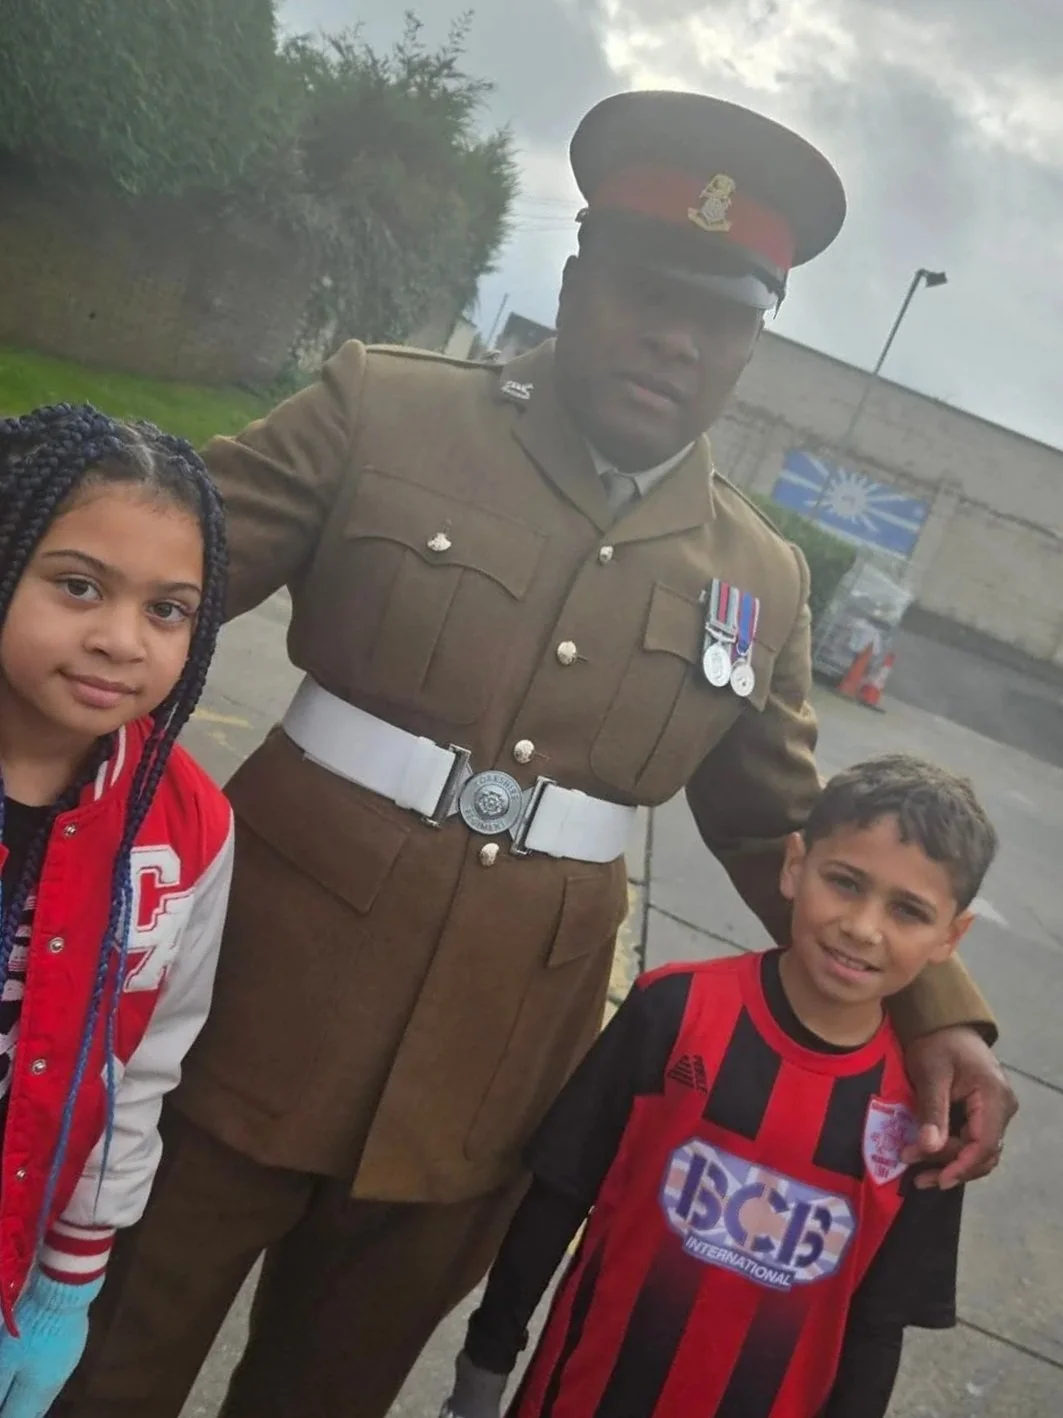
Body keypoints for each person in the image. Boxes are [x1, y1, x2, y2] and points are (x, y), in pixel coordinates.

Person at [57, 92, 1015, 1418]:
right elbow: (146, 582)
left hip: (485, 1078)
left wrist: (935, 1012)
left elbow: (779, 827)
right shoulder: (383, 410)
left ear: (749, 348)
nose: (674, 338)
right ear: (575, 281)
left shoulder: (759, 575)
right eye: (643, 289)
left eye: (721, 318)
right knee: (99, 1371)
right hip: (236, 1011)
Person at [440, 755, 998, 1418]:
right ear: (794, 866)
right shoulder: (671, 1010)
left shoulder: (924, 1117)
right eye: (844, 883)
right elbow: (554, 1199)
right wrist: (483, 1370)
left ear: (950, 937)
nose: (862, 926)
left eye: (907, 910)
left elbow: (877, 1324)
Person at [0, 405, 231, 1417]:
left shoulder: (190, 828)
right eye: (79, 585)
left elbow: (137, 1069)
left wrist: (64, 1290)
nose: (119, 639)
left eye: (167, 609)